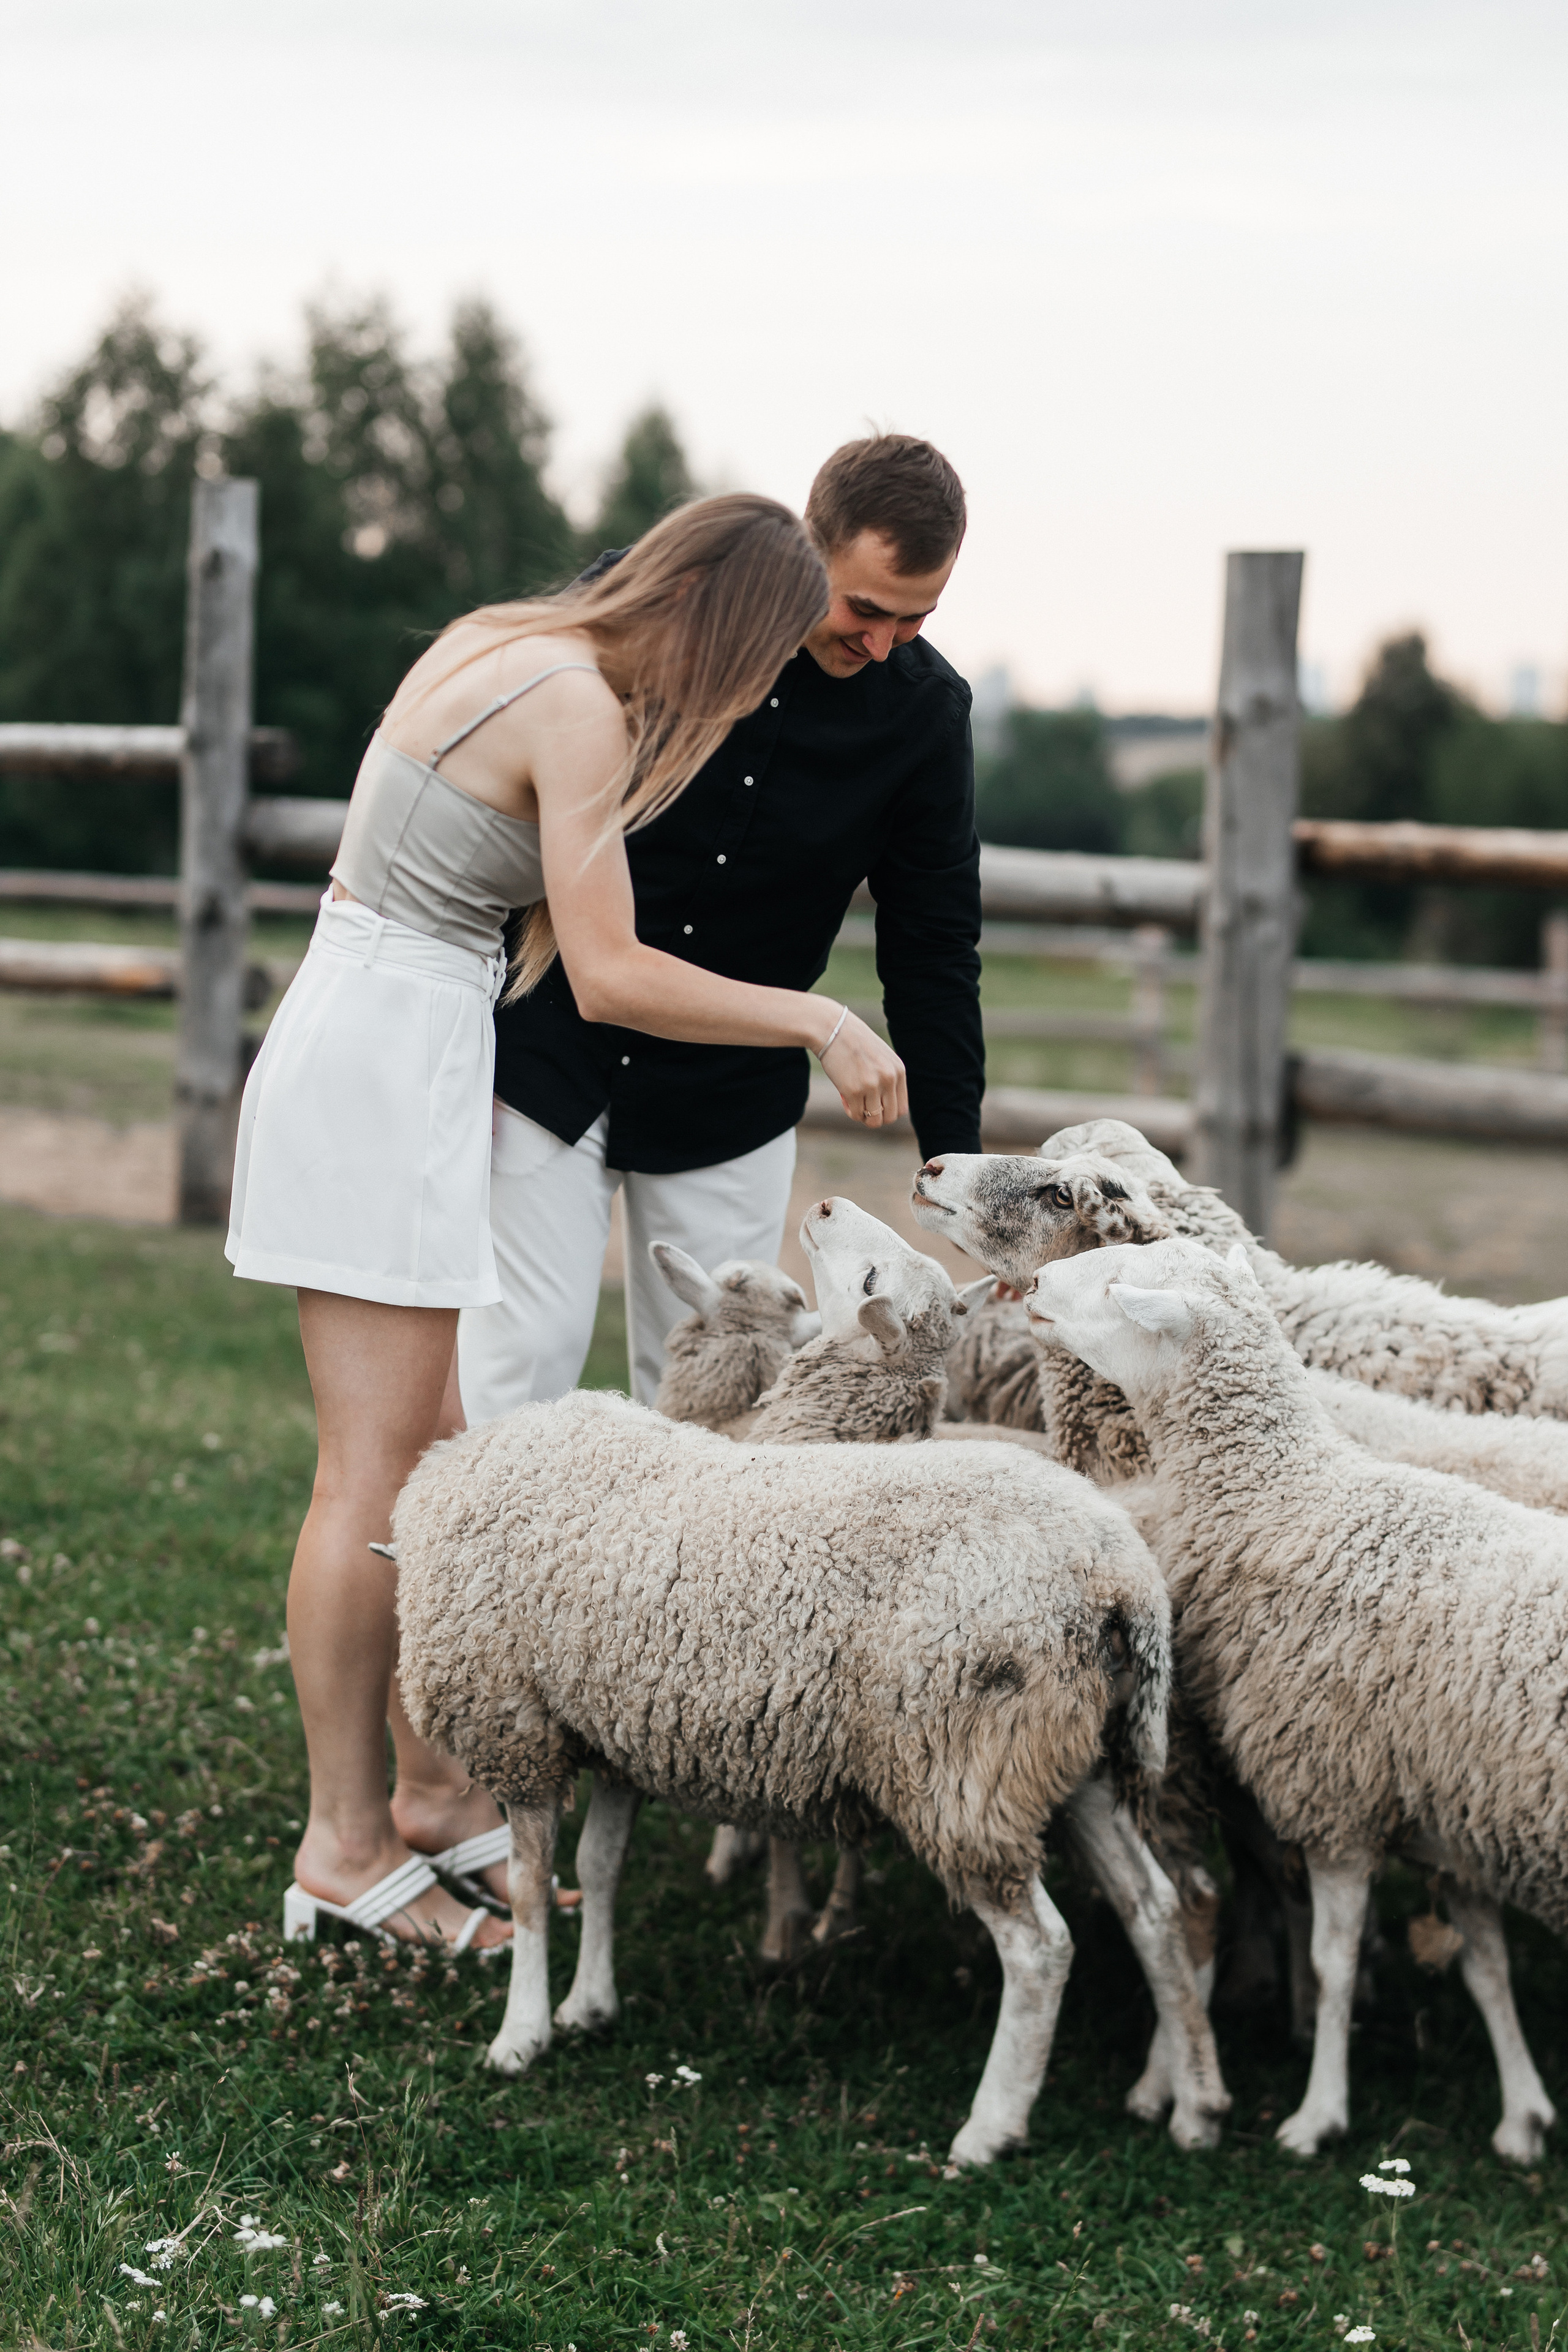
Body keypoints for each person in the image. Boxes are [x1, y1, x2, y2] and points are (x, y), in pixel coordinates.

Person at [224, 494, 907, 1951]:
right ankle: (343, 1851)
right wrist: (816, 1017)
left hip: (381, 1028)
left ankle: (429, 1799)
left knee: (412, 1457)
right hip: (392, 1056)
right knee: (378, 1473)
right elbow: (607, 974)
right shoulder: (583, 711)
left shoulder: (504, 641)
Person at [459, 433, 985, 1415]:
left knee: (714, 1400)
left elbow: (935, 942)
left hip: (732, 1093)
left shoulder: (926, 714)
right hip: (548, 1043)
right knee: (519, 1365)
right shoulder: (655, 603)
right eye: (865, 608)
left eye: (916, 621)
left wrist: (953, 1158)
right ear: (809, 545)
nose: (881, 644)